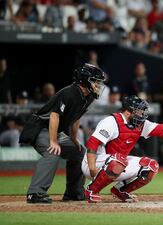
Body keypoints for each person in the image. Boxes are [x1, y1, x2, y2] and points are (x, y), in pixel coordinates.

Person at [82, 95, 163, 203]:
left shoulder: (140, 125)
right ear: (128, 111)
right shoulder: (111, 121)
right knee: (119, 160)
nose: (142, 114)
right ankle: (92, 189)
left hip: (116, 163)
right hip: (93, 162)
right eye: (139, 111)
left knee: (151, 166)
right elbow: (93, 143)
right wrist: (92, 168)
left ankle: (120, 191)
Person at [19, 63, 106, 204]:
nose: (98, 85)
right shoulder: (69, 93)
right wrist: (53, 141)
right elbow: (54, 116)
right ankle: (35, 193)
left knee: (79, 152)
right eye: (95, 81)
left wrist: (74, 139)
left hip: (55, 130)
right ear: (85, 80)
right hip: (40, 128)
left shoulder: (89, 96)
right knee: (52, 151)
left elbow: (76, 117)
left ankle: (73, 192)